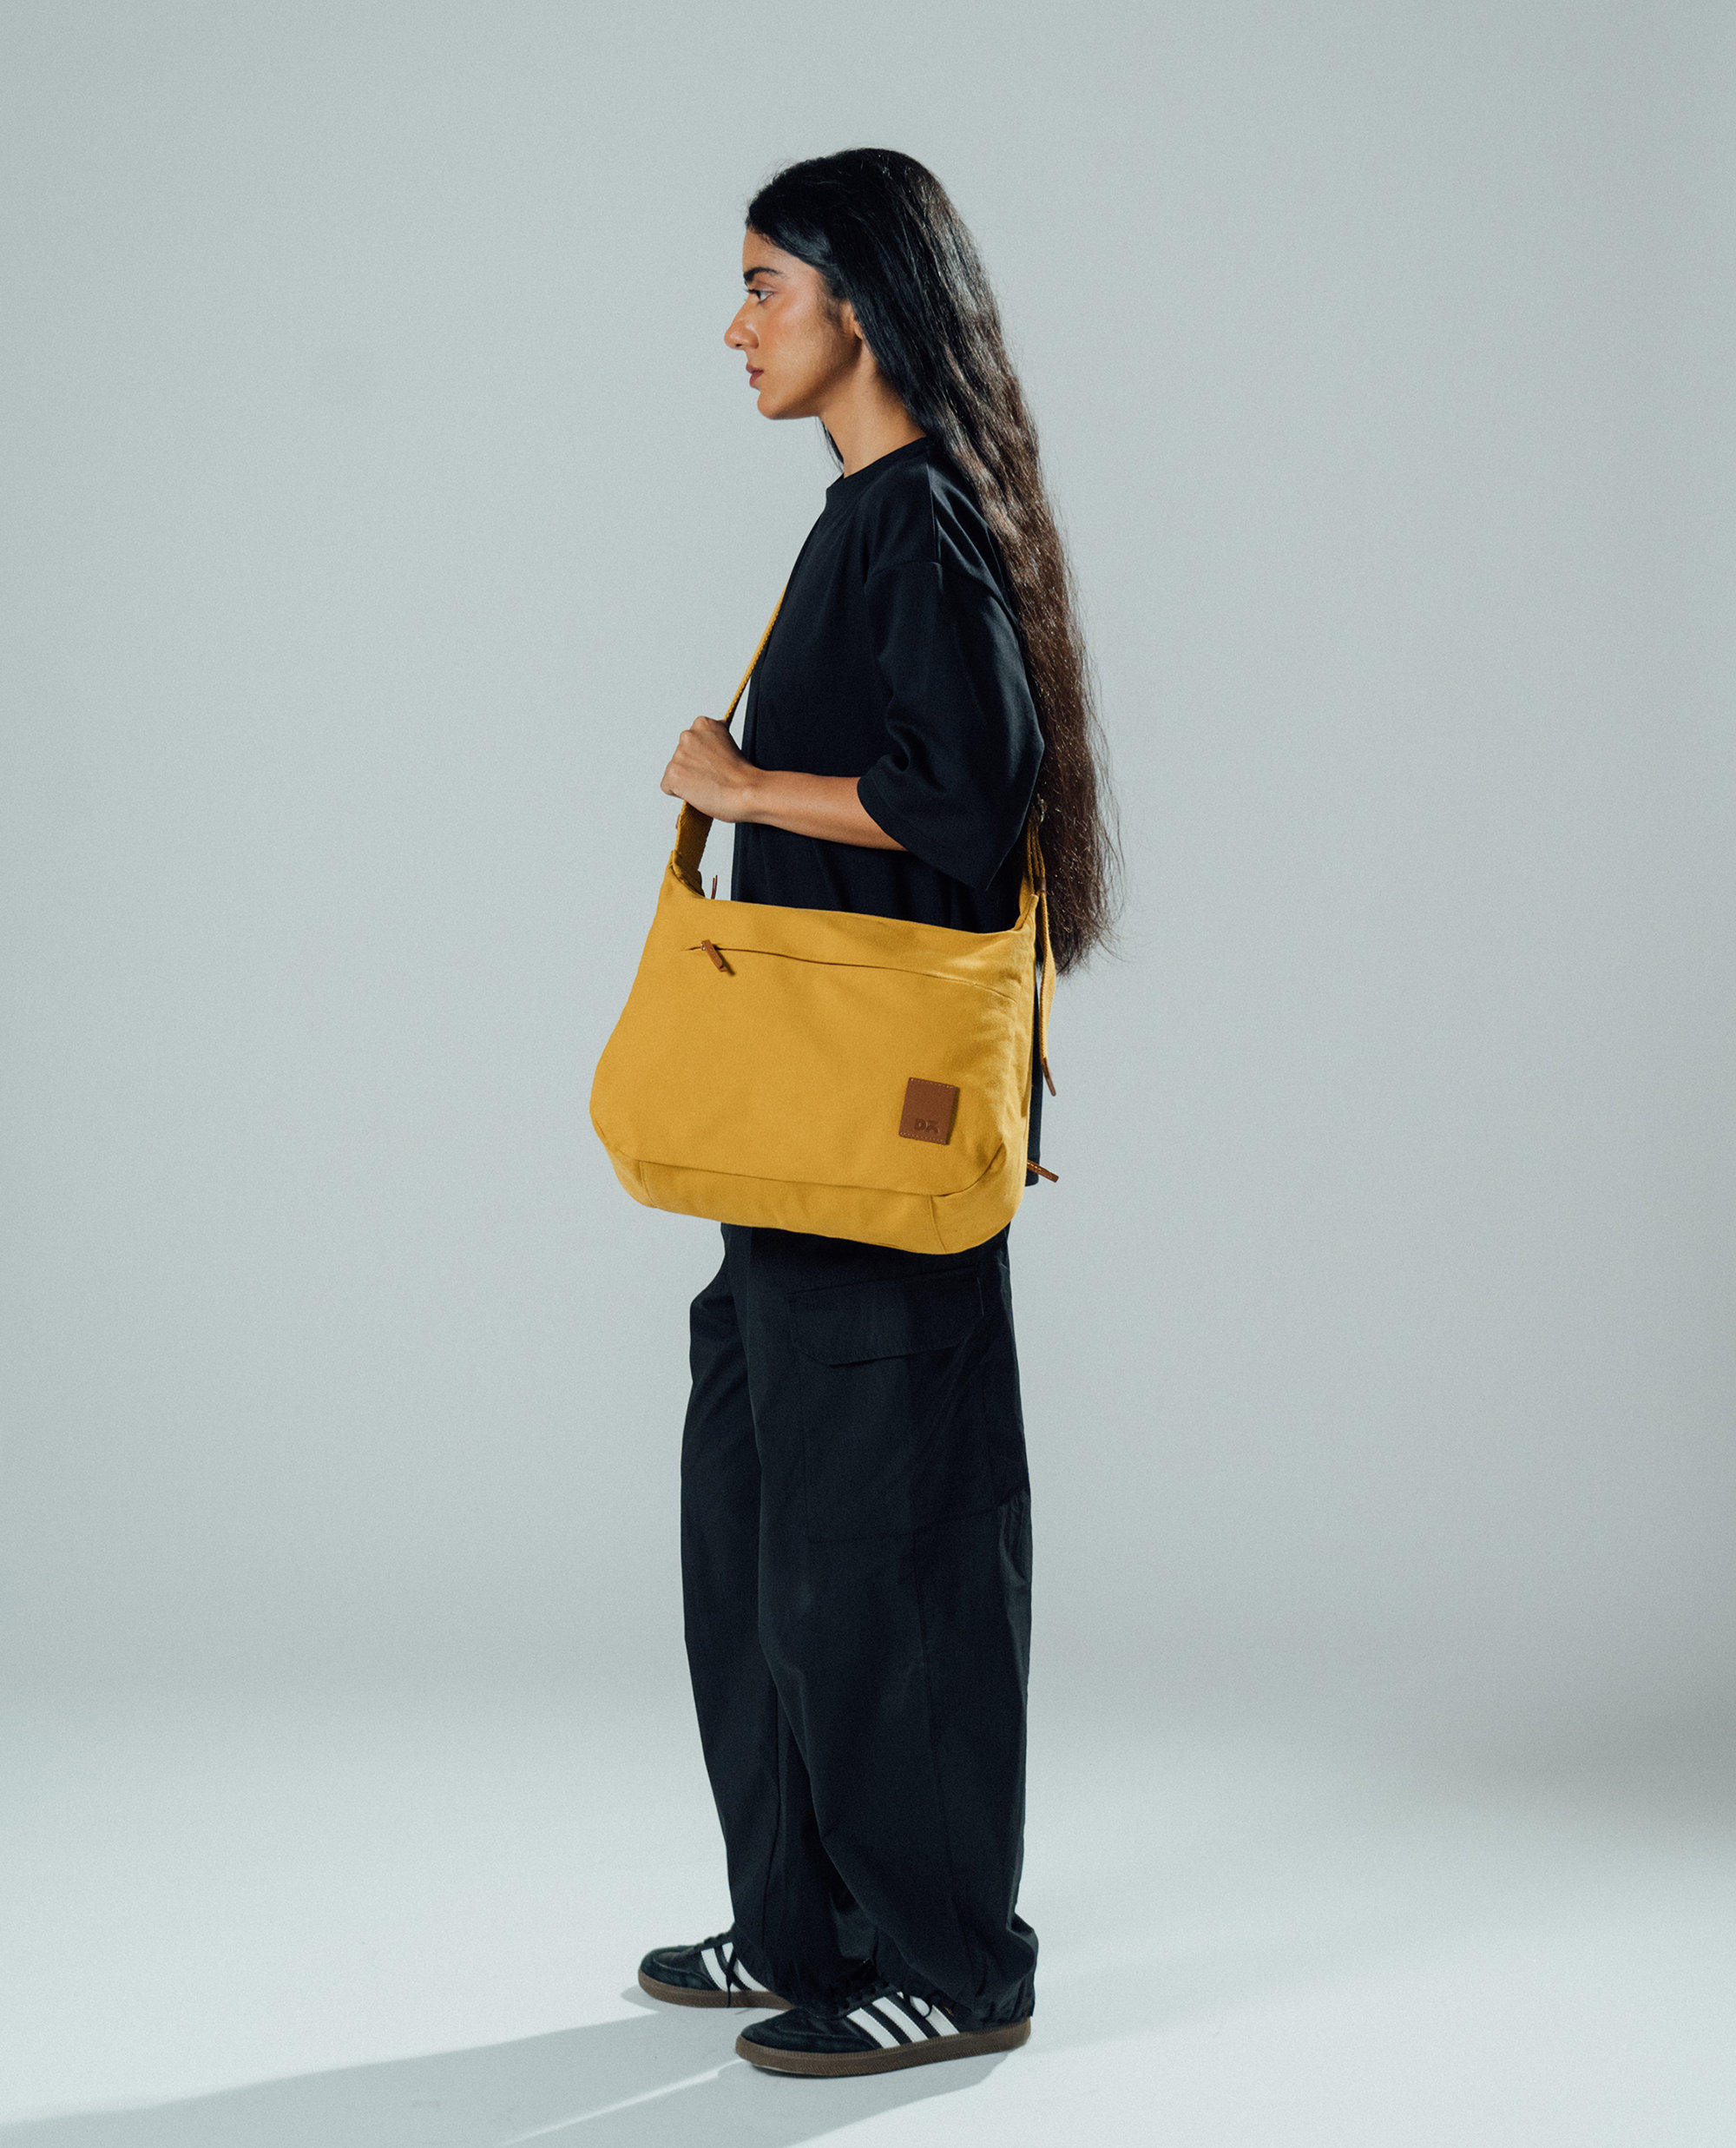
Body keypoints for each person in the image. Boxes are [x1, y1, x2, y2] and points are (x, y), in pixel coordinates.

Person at [635, 148, 1118, 2080]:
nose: (735, 325)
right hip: (808, 1139)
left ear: (861, 300)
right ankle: (801, 1920)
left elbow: (963, 804)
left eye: (764, 284)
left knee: (887, 1551)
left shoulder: (918, 522)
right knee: (763, 1528)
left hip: (875, 1147)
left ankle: (952, 1961)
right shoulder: (867, 516)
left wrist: (741, 788)